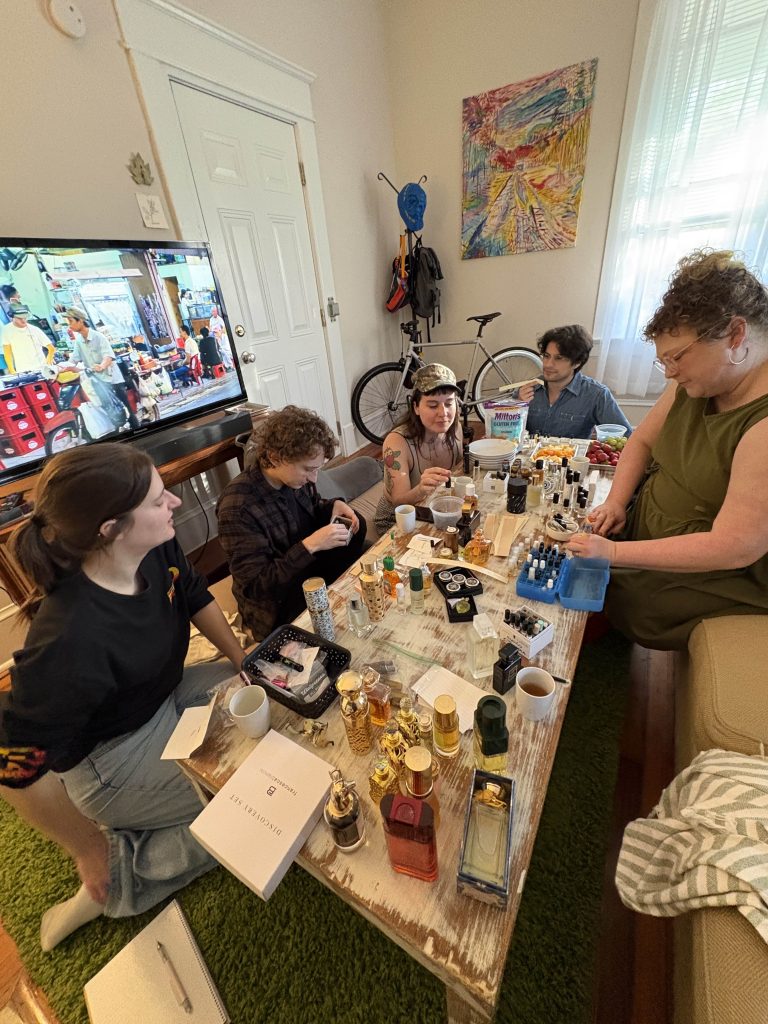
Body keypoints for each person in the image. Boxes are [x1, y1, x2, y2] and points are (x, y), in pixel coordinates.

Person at [0, 444, 246, 950]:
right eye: (158, 500)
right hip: (111, 760)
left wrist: (243, 662)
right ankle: (119, 874)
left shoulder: (155, 547)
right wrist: (86, 850)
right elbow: (13, 766)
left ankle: (151, 815)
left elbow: (194, 593)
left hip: (164, 695)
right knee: (246, 805)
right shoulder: (68, 640)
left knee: (267, 702)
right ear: (111, 529)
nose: (175, 502)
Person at [567, 249, 768, 650]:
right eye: (664, 361)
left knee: (635, 601)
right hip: (646, 529)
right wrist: (617, 502)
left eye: (676, 357)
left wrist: (615, 554)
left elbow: (734, 547)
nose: (670, 372)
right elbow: (641, 440)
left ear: (736, 336)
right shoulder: (697, 383)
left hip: (717, 572)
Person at [217, 406, 366, 640]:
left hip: (306, 567)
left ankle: (335, 590)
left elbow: (312, 508)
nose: (314, 478)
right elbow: (256, 587)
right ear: (275, 458)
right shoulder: (238, 507)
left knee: (355, 525)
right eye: (308, 469)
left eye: (317, 469)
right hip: (277, 599)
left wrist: (333, 505)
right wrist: (310, 545)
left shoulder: (295, 479)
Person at [374, 363, 463, 534]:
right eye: (433, 405)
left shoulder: (455, 428)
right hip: (397, 519)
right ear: (415, 407)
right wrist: (421, 489)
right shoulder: (397, 442)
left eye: (449, 403)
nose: (443, 413)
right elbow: (398, 501)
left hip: (436, 508)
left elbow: (459, 473)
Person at [514, 325, 631, 438]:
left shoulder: (597, 394)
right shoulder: (526, 389)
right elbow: (507, 437)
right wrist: (517, 407)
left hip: (572, 452)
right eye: (546, 356)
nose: (548, 364)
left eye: (559, 358)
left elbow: (626, 438)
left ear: (577, 362)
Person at [64, 307, 141, 429]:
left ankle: (137, 429)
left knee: (125, 408)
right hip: (98, 381)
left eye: (71, 321)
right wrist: (62, 368)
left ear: (80, 321)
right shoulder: (79, 341)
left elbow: (108, 356)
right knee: (109, 410)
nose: (70, 326)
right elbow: (73, 359)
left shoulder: (98, 337)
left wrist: (101, 366)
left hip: (112, 378)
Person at [1, 304, 55, 373]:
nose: (23, 321)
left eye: (25, 318)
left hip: (41, 368)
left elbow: (51, 348)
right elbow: (7, 352)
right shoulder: (6, 330)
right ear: (12, 317)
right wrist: (12, 370)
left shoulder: (35, 329)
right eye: (20, 318)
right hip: (22, 370)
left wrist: (49, 359)